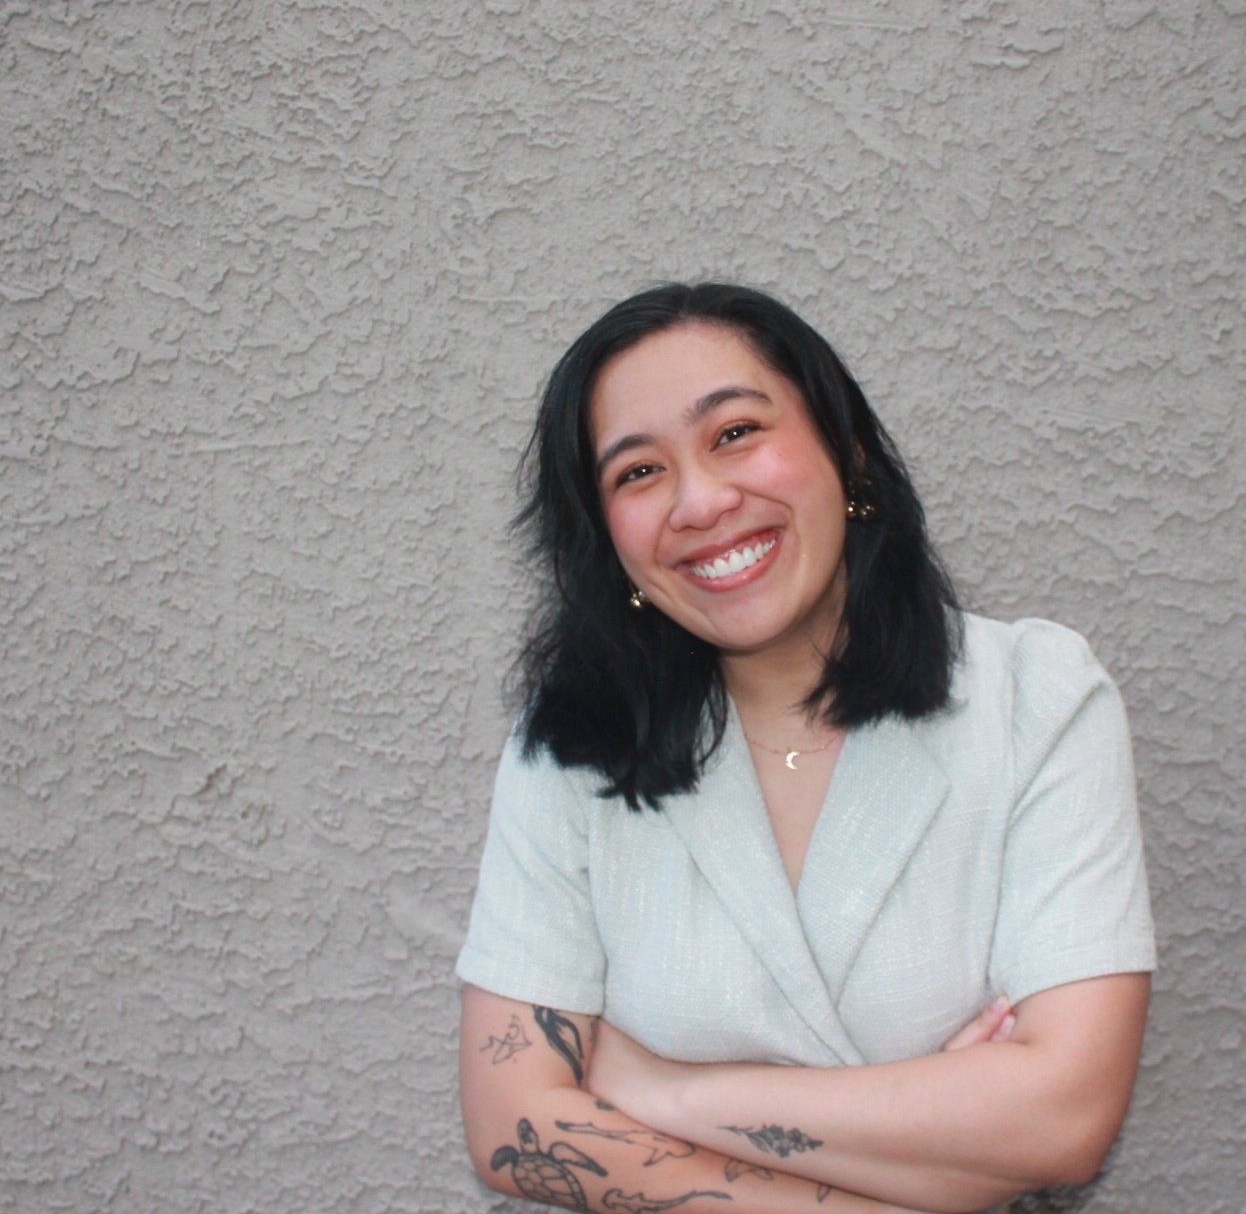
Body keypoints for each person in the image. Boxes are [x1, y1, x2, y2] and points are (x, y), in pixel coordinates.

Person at [456, 283, 1155, 1214]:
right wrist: (936, 1146)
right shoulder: (574, 743)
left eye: (735, 432)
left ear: (848, 448)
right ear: (605, 540)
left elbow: (1066, 1118)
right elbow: (515, 1126)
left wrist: (664, 1089)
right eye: (637, 473)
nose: (701, 501)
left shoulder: (1037, 697)